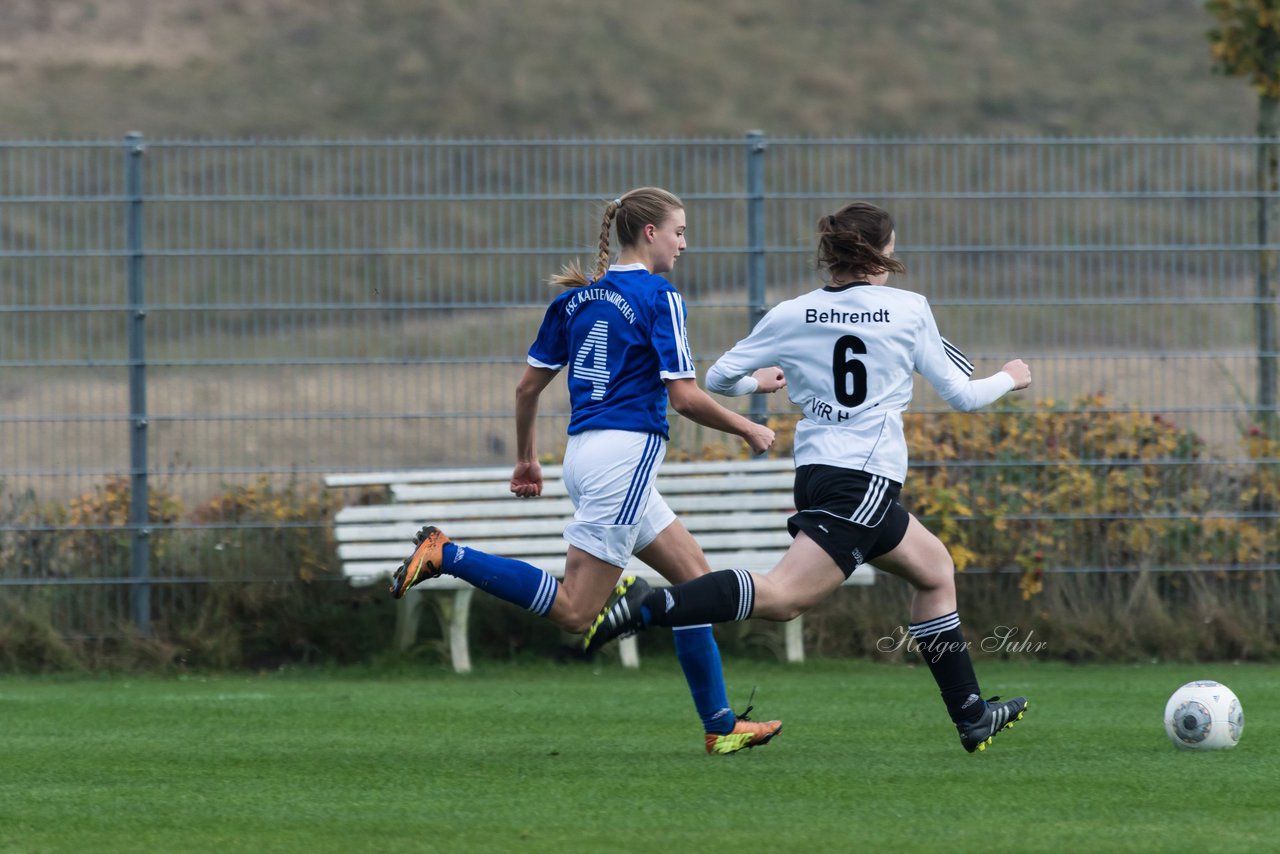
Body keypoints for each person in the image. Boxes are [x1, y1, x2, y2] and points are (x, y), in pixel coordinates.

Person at [583, 201, 1034, 754]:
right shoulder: (909, 309)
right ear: (879, 255)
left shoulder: (792, 313)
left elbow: (720, 376)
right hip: (864, 480)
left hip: (820, 475)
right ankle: (646, 607)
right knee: (783, 598)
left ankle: (972, 717)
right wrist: (1009, 379)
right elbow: (963, 394)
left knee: (935, 569)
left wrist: (763, 382)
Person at [390, 186, 787, 754]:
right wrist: (748, 426)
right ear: (650, 233)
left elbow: (527, 388)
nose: (684, 243)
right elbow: (684, 398)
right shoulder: (659, 295)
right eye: (679, 231)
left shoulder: (575, 302)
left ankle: (721, 726)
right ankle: (445, 553)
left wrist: (527, 457)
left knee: (695, 583)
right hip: (623, 462)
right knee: (578, 611)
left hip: (586, 456)